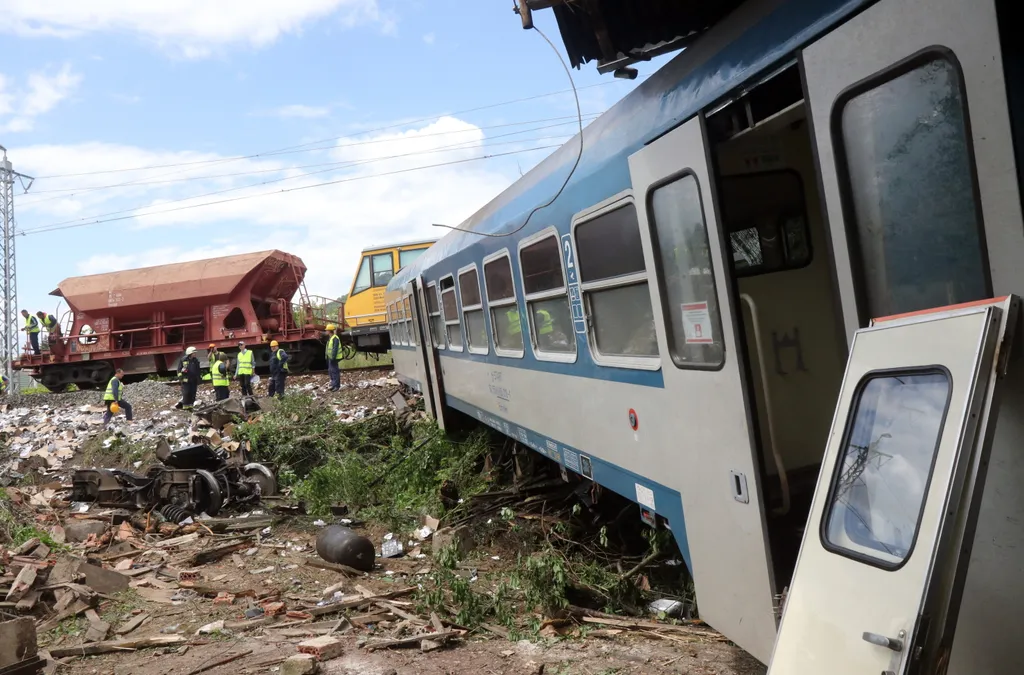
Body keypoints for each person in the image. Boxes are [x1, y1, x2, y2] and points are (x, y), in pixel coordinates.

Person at [325, 324, 342, 392]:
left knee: (334, 371)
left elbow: (335, 349)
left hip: (334, 358)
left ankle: (336, 386)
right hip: (330, 357)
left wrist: (333, 357)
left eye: (327, 330)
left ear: (329, 331)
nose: (326, 331)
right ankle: (333, 384)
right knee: (331, 371)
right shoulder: (331, 338)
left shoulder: (335, 338)